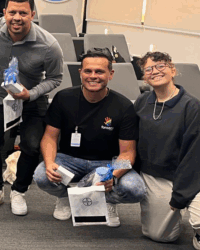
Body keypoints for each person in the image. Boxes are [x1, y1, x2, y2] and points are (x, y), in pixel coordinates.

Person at [33, 51, 146, 226]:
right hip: (69, 160)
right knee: (41, 175)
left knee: (135, 189)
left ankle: (108, 201)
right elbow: (49, 137)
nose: (93, 76)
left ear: (110, 74)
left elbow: (128, 154)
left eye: (99, 72)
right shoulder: (63, 98)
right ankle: (65, 198)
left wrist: (111, 176)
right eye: (88, 71)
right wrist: (49, 162)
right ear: (80, 73)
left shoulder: (124, 107)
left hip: (107, 163)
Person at [0, 0, 63, 215]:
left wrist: (32, 93)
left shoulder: (49, 45)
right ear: (4, 12)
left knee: (32, 146)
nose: (17, 17)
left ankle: (19, 191)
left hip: (32, 101)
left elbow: (56, 78)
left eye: (23, 13)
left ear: (32, 14)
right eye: (12, 12)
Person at [134, 52, 200, 249]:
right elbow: (129, 141)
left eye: (161, 66)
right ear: (144, 77)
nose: (155, 71)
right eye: (149, 69)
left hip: (192, 174)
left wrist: (180, 195)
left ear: (173, 70)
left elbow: (194, 156)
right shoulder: (142, 102)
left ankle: (198, 230)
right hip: (157, 175)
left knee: (199, 219)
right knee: (161, 236)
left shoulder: (192, 106)